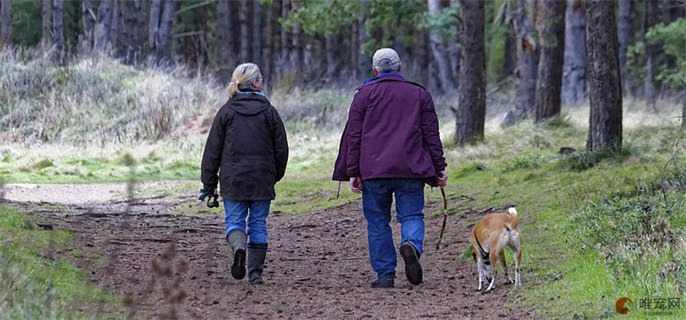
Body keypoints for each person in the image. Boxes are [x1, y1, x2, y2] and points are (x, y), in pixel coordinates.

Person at [333, 48, 447, 288]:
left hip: (374, 171)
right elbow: (431, 135)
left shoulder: (363, 96)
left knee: (377, 222)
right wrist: (439, 167)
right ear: (399, 67)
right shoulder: (419, 94)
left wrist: (353, 171)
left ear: (375, 70)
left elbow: (354, 136)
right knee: (412, 215)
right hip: (411, 168)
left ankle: (385, 274)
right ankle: (412, 246)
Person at [200, 62, 289, 284]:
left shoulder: (226, 112)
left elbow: (212, 150)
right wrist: (275, 175)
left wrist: (209, 183)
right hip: (262, 178)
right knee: (258, 224)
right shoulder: (270, 112)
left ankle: (239, 248)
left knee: (234, 222)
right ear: (256, 83)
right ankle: (255, 272)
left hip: (233, 179)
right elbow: (282, 149)